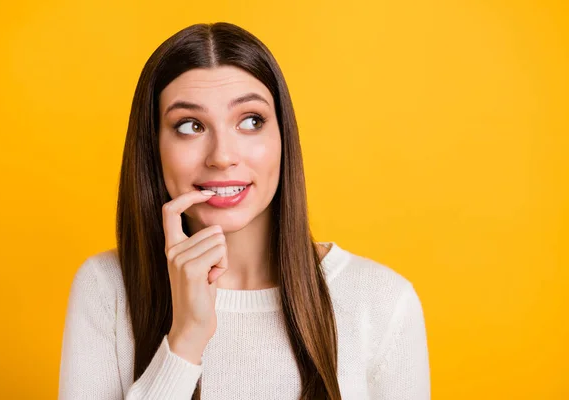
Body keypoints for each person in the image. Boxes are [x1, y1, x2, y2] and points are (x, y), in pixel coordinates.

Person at [58, 22, 430, 400]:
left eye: (251, 121)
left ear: (283, 136)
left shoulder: (380, 300)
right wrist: (185, 340)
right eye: (190, 126)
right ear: (153, 146)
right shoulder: (106, 289)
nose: (222, 156)